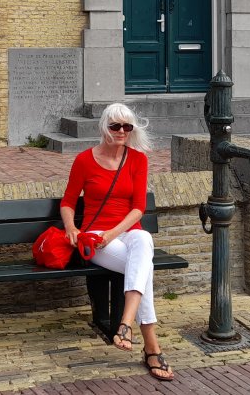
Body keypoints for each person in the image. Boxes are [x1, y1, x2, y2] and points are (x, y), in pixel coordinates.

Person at [60, 102, 173, 382]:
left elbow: (138, 208)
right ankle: (151, 347)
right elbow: (68, 201)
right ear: (104, 128)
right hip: (96, 238)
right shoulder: (85, 160)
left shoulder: (137, 159)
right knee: (143, 268)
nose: (121, 131)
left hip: (125, 232)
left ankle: (124, 324)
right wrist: (72, 228)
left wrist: (115, 232)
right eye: (115, 126)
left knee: (144, 239)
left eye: (127, 126)